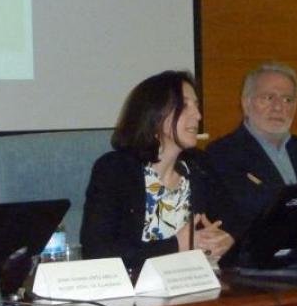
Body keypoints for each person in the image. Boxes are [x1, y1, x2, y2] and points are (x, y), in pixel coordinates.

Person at [80, 70, 234, 273]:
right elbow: (97, 252)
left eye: (196, 105)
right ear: (155, 114)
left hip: (197, 286)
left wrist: (227, 239)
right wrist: (177, 245)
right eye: (185, 105)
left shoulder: (199, 166)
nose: (198, 115)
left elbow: (235, 220)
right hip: (136, 293)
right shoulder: (115, 170)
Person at [203, 62, 297, 237]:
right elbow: (237, 219)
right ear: (246, 103)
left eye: (287, 100)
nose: (278, 107)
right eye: (268, 98)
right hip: (257, 259)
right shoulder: (222, 154)